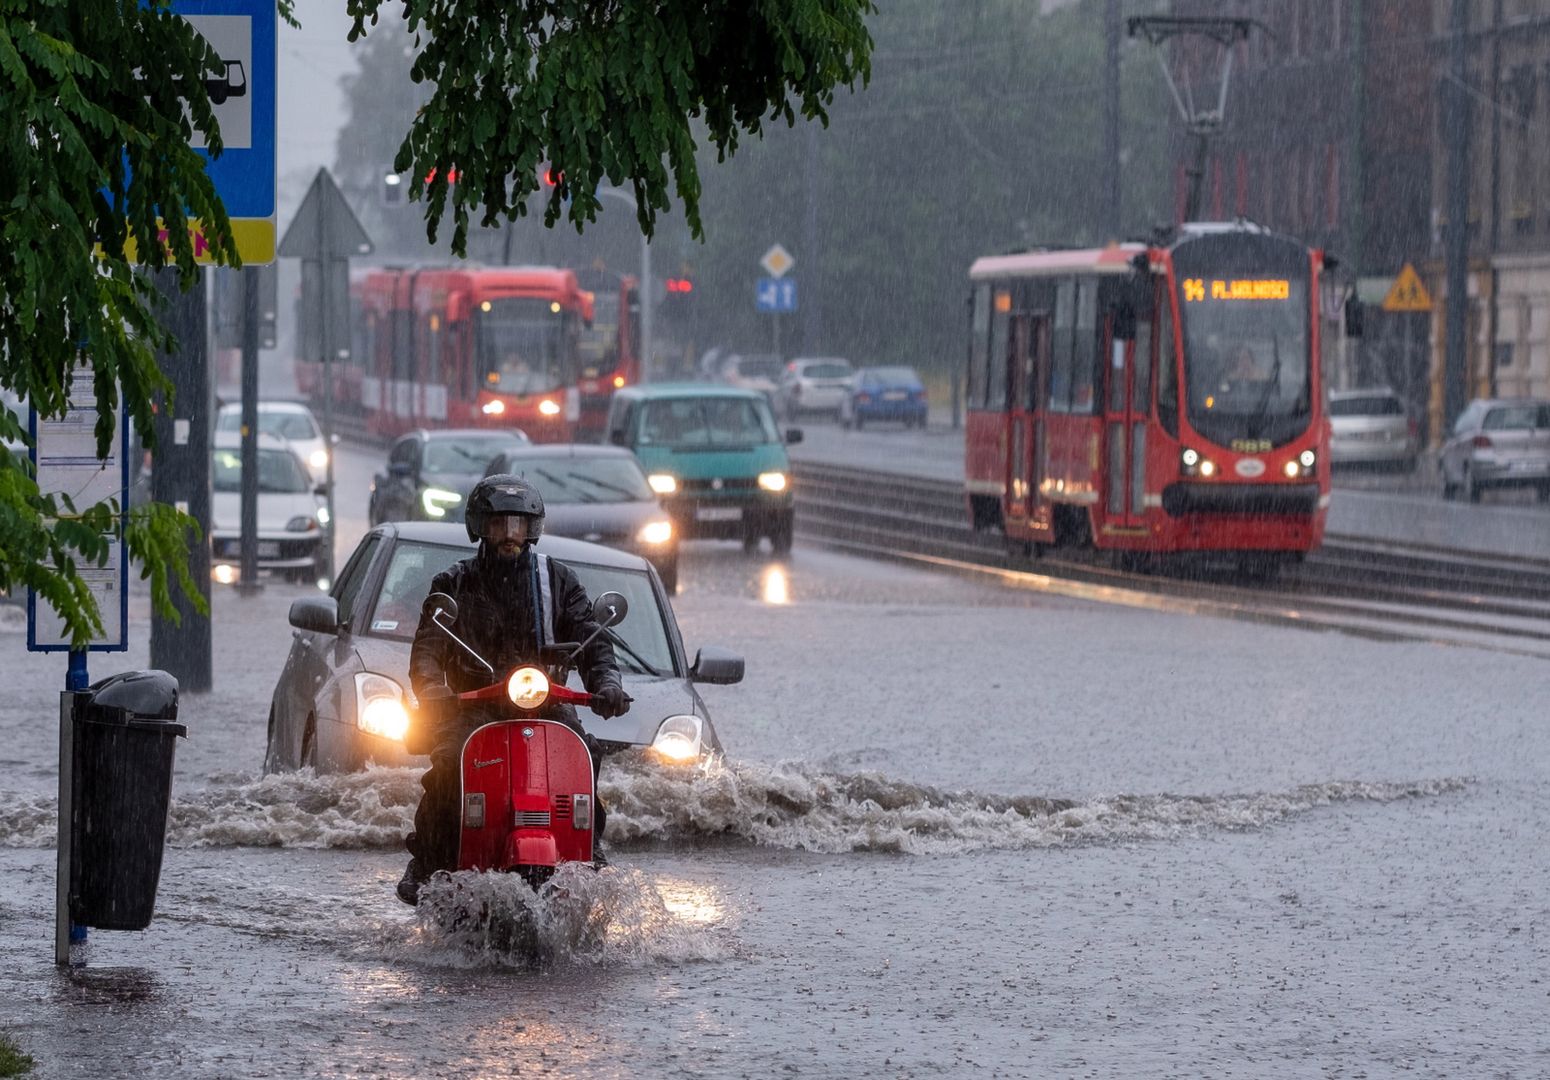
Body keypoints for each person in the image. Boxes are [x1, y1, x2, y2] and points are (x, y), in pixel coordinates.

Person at [397, 473, 632, 905]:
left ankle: (590, 846)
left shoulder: (558, 581)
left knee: (587, 750)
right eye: (499, 524)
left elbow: (593, 642)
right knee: (450, 762)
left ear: (533, 529)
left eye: (518, 525)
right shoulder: (454, 583)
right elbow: (427, 651)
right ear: (479, 528)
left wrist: (608, 684)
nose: (509, 534)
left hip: (547, 704)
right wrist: (433, 692)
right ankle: (428, 859)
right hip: (474, 705)